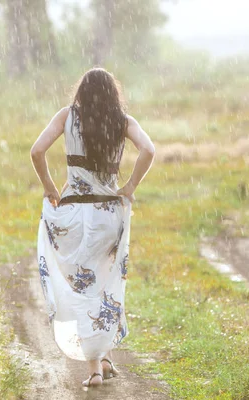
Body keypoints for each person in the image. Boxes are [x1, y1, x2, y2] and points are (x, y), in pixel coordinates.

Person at [30, 68, 155, 388]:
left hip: (72, 212)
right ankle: (105, 358)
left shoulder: (66, 116)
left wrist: (49, 187)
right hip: (107, 215)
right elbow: (149, 150)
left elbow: (37, 151)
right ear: (113, 92)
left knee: (82, 288)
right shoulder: (123, 121)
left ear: (82, 91)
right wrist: (129, 186)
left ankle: (95, 369)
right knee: (105, 284)